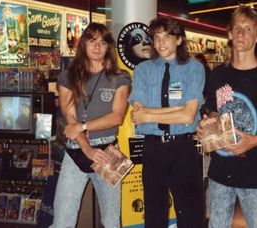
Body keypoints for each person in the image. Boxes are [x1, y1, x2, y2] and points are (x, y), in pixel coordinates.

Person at [198, 5, 257, 228]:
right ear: (229, 34)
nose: (241, 33)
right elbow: (212, 110)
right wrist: (207, 127)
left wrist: (256, 140)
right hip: (221, 171)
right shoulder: (218, 75)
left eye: (249, 29)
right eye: (237, 28)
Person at [51, 22, 131, 228]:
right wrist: (87, 148)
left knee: (112, 221)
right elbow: (70, 120)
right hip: (76, 150)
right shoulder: (67, 76)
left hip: (110, 151)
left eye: (102, 42)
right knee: (62, 220)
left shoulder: (120, 77)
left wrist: (82, 126)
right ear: (83, 44)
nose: (97, 46)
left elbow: (117, 117)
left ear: (108, 48)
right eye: (92, 40)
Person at [129, 16, 205, 228]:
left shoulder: (194, 68)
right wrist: (177, 110)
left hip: (183, 146)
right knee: (154, 211)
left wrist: (149, 115)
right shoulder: (142, 70)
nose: (161, 42)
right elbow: (137, 112)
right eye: (157, 37)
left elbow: (188, 116)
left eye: (167, 36)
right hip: (153, 147)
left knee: (190, 210)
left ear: (179, 39)